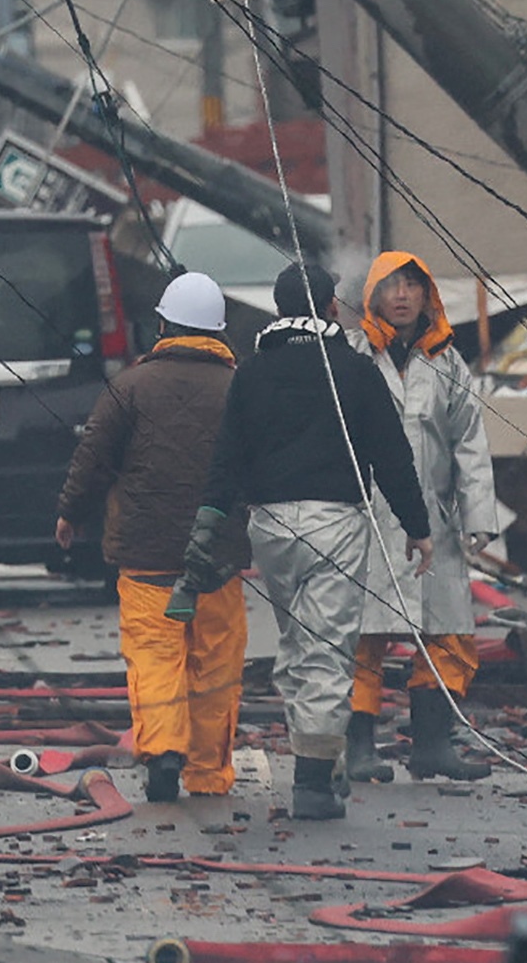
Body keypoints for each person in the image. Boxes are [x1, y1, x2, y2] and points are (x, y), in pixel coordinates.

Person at [174, 259, 433, 820]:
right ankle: (313, 782)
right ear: (331, 308)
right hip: (334, 524)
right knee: (327, 651)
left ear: (279, 309)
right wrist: (417, 525)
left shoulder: (251, 373)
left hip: (269, 527)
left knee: (297, 645)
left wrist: (209, 521)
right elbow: (391, 454)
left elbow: (226, 459)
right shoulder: (355, 371)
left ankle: (325, 757)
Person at [55, 272, 250, 803]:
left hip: (145, 558)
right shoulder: (239, 388)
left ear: (163, 325)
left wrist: (71, 512)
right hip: (219, 560)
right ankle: (208, 774)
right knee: (215, 663)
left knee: (154, 655)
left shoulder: (131, 386)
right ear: (218, 331)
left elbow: (92, 456)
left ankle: (164, 751)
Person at [345, 252, 509, 783]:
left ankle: (432, 745)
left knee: (448, 633)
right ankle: (359, 748)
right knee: (360, 636)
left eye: (412, 285)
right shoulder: (351, 356)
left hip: (434, 523)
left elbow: (469, 444)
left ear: (427, 295)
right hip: (365, 520)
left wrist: (477, 517)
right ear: (373, 294)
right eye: (391, 285)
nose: (401, 295)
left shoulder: (449, 365)